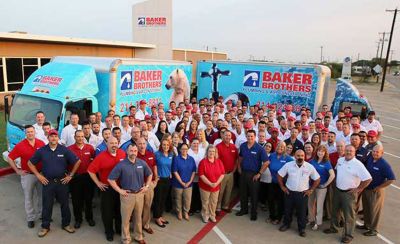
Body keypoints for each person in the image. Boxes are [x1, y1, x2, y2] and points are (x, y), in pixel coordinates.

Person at [28, 129, 81, 237]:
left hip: (62, 182)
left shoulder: (64, 150)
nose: (53, 138)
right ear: (48, 138)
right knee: (47, 205)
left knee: (65, 205)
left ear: (58, 138)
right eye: (51, 136)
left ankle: (66, 224)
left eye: (55, 136)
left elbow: (77, 161)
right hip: (48, 182)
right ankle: (45, 227)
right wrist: (38, 175)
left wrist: (70, 175)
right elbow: (30, 163)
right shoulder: (42, 150)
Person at [324, 145, 372, 243]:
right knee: (335, 211)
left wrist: (358, 189)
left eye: (351, 151)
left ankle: (348, 235)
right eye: (347, 150)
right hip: (338, 190)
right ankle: (334, 228)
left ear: (354, 152)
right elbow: (337, 171)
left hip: (349, 194)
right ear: (344, 151)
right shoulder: (340, 160)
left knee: (349, 215)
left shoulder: (358, 164)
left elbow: (368, 179)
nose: (348, 152)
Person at [108, 143, 152, 244]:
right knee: (126, 219)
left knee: (138, 218)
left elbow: (150, 174)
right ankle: (126, 239)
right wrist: (120, 190)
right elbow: (110, 179)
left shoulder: (142, 163)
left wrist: (147, 186)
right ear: (127, 151)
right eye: (131, 151)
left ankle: (138, 236)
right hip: (127, 196)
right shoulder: (121, 165)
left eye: (135, 151)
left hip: (139, 195)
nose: (133, 153)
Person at [88, 137, 126, 241]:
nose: (114, 145)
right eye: (111, 143)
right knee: (107, 212)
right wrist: (98, 183)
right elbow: (91, 170)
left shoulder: (122, 153)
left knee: (119, 210)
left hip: (120, 188)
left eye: (115, 143)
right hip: (107, 189)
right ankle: (109, 231)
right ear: (107, 144)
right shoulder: (101, 157)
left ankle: (119, 229)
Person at [7, 125, 45, 228]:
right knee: (29, 197)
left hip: (40, 174)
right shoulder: (20, 145)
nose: (30, 133)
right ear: (25, 134)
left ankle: (42, 215)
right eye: (28, 132)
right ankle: (30, 218)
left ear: (34, 132)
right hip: (28, 175)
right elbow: (10, 158)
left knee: (41, 196)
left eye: (32, 132)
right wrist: (17, 170)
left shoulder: (40, 143)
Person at [277, 149, 320, 237]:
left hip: (302, 194)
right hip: (289, 192)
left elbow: (317, 179)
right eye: (298, 156)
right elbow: (279, 175)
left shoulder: (309, 167)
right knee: (287, 210)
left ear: (304, 157)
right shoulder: (288, 165)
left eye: (302, 156)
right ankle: (286, 224)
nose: (300, 157)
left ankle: (302, 229)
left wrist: (311, 190)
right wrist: (282, 187)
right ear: (295, 156)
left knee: (302, 212)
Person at [359, 145, 396, 236]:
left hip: (375, 191)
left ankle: (374, 230)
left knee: (374, 211)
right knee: (366, 208)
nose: (375, 153)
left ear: (382, 153)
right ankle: (366, 225)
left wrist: (379, 187)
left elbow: (392, 179)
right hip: (367, 188)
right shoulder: (370, 159)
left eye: (377, 152)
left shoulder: (384, 164)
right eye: (374, 151)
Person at [236, 130, 270, 221]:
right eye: (248, 136)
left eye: (251, 136)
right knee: (243, 193)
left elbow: (266, 162)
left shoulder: (259, 148)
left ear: (255, 137)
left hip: (254, 174)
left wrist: (259, 173)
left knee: (254, 195)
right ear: (246, 136)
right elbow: (240, 157)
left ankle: (254, 213)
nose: (250, 138)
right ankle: (244, 210)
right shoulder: (243, 146)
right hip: (243, 172)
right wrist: (239, 167)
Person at [67, 130, 96, 229]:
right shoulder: (69, 149)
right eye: (78, 136)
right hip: (75, 178)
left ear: (84, 137)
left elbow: (94, 161)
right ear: (75, 137)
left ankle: (89, 218)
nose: (80, 138)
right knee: (76, 200)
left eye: (82, 136)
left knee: (88, 199)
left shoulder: (90, 148)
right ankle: (78, 219)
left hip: (88, 177)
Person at [308, 145, 335, 230]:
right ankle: (310, 219)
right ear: (316, 152)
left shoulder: (326, 162)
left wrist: (325, 185)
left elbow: (332, 175)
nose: (320, 153)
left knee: (319, 205)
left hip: (321, 187)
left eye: (322, 151)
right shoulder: (312, 161)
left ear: (325, 153)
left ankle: (317, 222)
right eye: (319, 151)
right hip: (312, 186)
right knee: (310, 204)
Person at [266, 141, 294, 225]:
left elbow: (293, 168)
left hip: (282, 184)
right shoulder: (272, 155)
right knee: (270, 200)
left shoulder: (288, 158)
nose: (280, 148)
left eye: (282, 147)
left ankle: (278, 218)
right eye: (278, 146)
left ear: (284, 148)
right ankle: (272, 216)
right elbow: (268, 165)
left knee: (280, 201)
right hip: (273, 181)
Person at [198, 145, 225, 223]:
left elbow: (222, 174)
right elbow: (201, 175)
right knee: (205, 202)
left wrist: (216, 183)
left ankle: (212, 215)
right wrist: (210, 183)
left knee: (214, 202)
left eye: (213, 151)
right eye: (210, 151)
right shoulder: (203, 162)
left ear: (215, 152)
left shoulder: (219, 161)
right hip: (205, 187)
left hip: (216, 187)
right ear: (207, 152)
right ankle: (205, 215)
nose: (211, 153)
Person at [136, 137, 157, 235]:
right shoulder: (134, 155)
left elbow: (154, 166)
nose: (142, 145)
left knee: (147, 206)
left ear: (146, 144)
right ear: (136, 144)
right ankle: (138, 228)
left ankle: (146, 225)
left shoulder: (151, 154)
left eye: (143, 143)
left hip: (149, 185)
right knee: (138, 208)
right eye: (139, 144)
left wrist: (156, 179)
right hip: (138, 186)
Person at [171, 143, 197, 220]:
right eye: (183, 149)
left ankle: (185, 212)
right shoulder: (176, 159)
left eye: (186, 149)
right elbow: (175, 171)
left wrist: (189, 182)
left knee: (187, 199)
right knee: (178, 199)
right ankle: (179, 212)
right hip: (178, 183)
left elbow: (193, 171)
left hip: (189, 184)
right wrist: (181, 182)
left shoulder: (191, 159)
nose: (184, 151)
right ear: (180, 150)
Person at [216, 130, 239, 214]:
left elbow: (236, 159)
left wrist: (234, 169)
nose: (228, 137)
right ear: (222, 136)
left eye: (229, 135)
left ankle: (225, 206)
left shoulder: (234, 147)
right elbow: (216, 161)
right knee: (220, 191)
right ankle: (217, 208)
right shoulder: (218, 147)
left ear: (231, 137)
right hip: (222, 174)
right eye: (226, 135)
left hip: (231, 173)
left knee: (228, 191)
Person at [153, 139, 174, 228]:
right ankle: (157, 217)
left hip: (167, 179)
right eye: (164, 145)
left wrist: (170, 173)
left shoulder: (171, 155)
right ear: (161, 145)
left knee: (163, 199)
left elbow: (170, 165)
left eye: (167, 145)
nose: (165, 146)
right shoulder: (157, 154)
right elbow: (155, 166)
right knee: (158, 199)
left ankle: (160, 216)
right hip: (160, 179)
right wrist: (156, 176)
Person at [188, 138, 205, 215]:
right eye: (194, 143)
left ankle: (198, 207)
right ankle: (191, 209)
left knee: (198, 193)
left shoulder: (202, 151)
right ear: (191, 144)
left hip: (200, 176)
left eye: (197, 143)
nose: (196, 145)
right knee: (192, 193)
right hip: (191, 176)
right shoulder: (188, 152)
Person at [259, 142, 273, 211]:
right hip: (261, 176)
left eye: (269, 147)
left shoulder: (272, 156)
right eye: (266, 146)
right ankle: (262, 204)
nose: (267, 147)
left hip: (269, 177)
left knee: (269, 192)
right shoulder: (260, 154)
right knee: (262, 191)